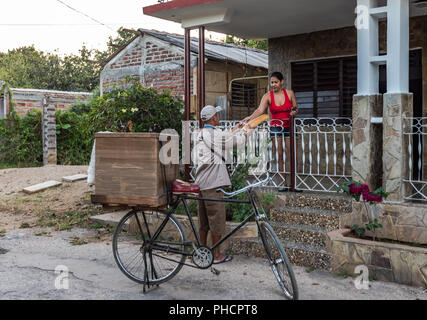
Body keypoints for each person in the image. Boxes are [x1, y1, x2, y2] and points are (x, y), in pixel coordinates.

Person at [194, 105, 248, 264]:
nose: (219, 116)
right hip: (213, 184)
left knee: (203, 223)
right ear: (213, 118)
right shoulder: (215, 134)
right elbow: (236, 143)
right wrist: (247, 130)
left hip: (202, 183)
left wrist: (235, 129)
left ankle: (201, 252)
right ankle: (217, 255)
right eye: (217, 114)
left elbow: (222, 139)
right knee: (216, 222)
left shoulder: (202, 133)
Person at [242, 71, 299, 190]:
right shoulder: (267, 96)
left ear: (282, 82)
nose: (273, 85)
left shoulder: (289, 93)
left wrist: (294, 112)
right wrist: (250, 117)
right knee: (279, 154)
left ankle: (294, 183)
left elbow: (295, 108)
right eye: (272, 82)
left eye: (276, 82)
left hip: (290, 126)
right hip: (275, 126)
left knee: (292, 154)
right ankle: (284, 183)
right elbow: (260, 110)